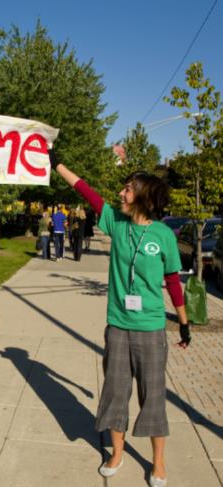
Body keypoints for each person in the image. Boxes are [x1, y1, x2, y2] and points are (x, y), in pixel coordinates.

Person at [51, 149, 191, 487]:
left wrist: (184, 323)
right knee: (114, 393)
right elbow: (85, 190)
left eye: (128, 188)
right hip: (117, 326)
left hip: (151, 328)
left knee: (152, 395)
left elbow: (172, 281)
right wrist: (57, 163)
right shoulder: (116, 222)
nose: (121, 193)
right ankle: (117, 451)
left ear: (142, 196)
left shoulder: (163, 236)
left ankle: (158, 461)